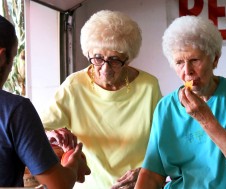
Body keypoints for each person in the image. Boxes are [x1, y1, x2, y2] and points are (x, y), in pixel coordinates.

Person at [135, 15, 226, 189]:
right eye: (179, 62)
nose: (187, 71)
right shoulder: (166, 107)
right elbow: (152, 174)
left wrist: (206, 119)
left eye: (194, 60)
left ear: (215, 59)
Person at [41, 10, 162, 189]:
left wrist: (145, 172)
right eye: (97, 58)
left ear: (127, 59)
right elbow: (38, 129)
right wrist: (52, 135)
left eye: (114, 60)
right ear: (88, 53)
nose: (105, 69)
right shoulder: (74, 85)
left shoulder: (148, 86)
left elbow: (165, 144)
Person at [0, 15, 90, 188]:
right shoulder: (15, 110)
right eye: (13, 60)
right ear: (3, 57)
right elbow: (59, 184)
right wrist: (73, 162)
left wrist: (42, 137)